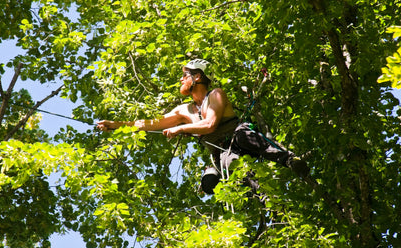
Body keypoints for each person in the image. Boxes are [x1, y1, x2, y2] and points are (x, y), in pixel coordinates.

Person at [97, 59, 308, 194]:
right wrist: (117, 125)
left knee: (245, 135)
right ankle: (266, 198)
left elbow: (210, 124)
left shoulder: (216, 94)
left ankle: (289, 159)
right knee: (230, 164)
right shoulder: (184, 110)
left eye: (184, 75)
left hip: (239, 136)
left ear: (197, 77)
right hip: (223, 152)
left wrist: (180, 129)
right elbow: (150, 123)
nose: (181, 79)